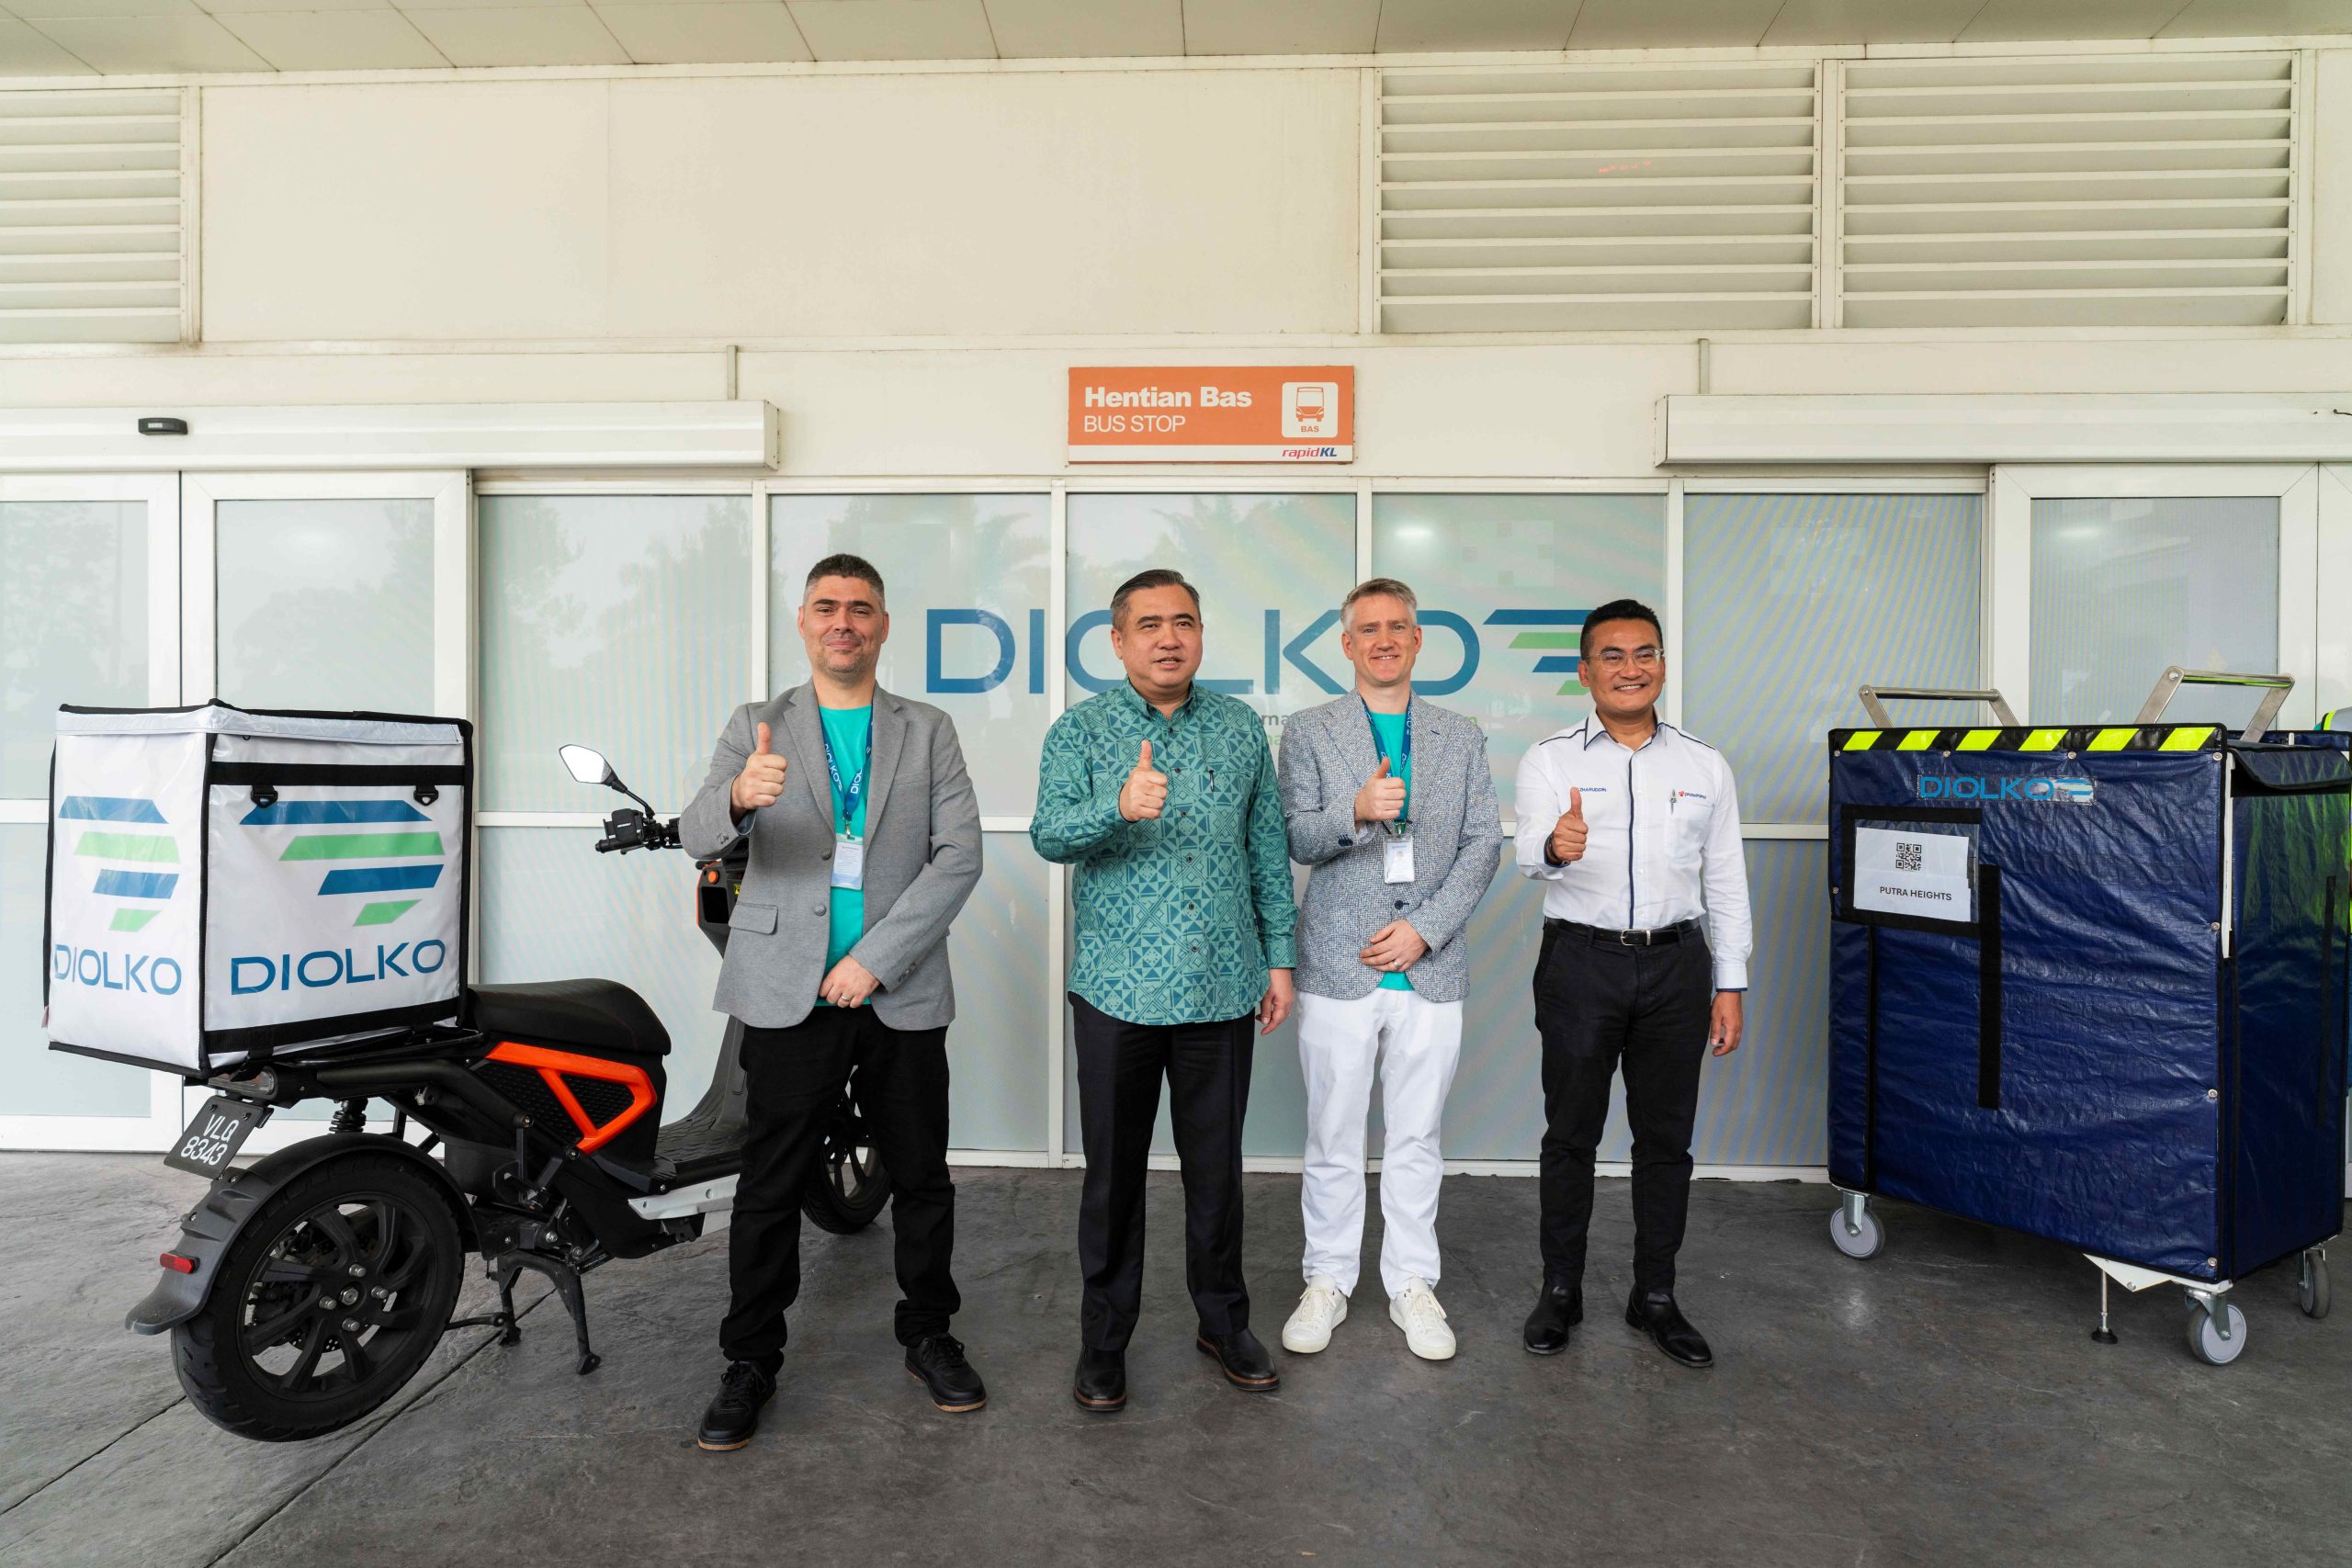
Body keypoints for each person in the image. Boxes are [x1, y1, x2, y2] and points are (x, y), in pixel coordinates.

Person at [680, 552, 985, 1450]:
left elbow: (958, 856)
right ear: (803, 623)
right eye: (826, 607)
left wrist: (878, 960)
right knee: (770, 1182)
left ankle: (929, 1332)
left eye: (860, 607)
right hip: (785, 989)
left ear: (883, 625)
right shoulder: (756, 724)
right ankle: (750, 1360)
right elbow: (693, 832)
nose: (843, 621)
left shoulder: (926, 729)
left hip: (896, 988)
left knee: (922, 1176)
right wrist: (738, 796)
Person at [1032, 568, 1298, 1413]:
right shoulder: (1080, 731)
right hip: (1116, 992)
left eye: (1182, 621)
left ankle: (1223, 1321)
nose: (1168, 637)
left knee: (1216, 1172)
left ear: (1200, 634)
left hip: (1223, 987)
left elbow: (1266, 848)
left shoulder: (1240, 728)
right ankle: (1104, 1341)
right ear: (1117, 641)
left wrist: (1279, 958)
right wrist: (1117, 804)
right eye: (1148, 624)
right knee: (1113, 1176)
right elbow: (1047, 834)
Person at [1511, 597, 1750, 1370]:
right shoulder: (1551, 758)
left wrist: (1731, 981)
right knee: (1570, 1136)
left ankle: (1655, 1295)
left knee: (1666, 1142)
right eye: (1611, 656)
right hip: (1582, 963)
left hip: (1679, 967)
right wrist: (1557, 843)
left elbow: (1726, 879)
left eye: (1643, 653)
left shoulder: (1703, 764)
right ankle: (1560, 1289)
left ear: (1662, 666)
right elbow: (1527, 857)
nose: (1629, 668)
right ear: (1584, 672)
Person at [1274, 578, 1500, 1361]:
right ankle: (1327, 1278)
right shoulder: (1308, 730)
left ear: (1417, 639)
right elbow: (1295, 836)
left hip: (1429, 969)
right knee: (1333, 1135)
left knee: (1416, 1137)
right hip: (1338, 962)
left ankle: (1412, 1283)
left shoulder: (1459, 734)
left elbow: (1483, 844)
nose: (1383, 638)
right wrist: (1357, 812)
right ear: (1346, 644)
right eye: (1367, 628)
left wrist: (1426, 931)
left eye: (1397, 626)